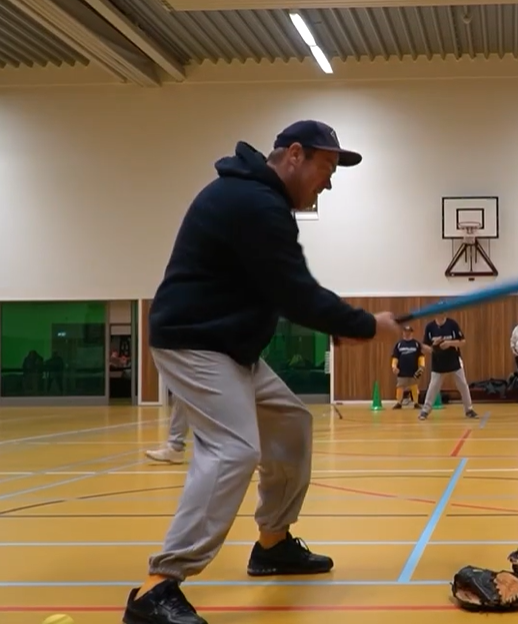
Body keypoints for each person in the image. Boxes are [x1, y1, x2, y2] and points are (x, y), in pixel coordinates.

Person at [122, 120, 401, 624]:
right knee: (234, 449)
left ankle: (272, 544)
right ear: (294, 154)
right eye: (326, 168)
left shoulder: (257, 200)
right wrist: (365, 324)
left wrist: (339, 324)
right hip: (195, 343)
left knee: (291, 423)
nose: (329, 183)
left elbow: (279, 288)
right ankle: (156, 589)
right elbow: (294, 291)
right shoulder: (254, 203)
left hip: (232, 349)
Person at [417, 312, 479, 421]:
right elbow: (425, 346)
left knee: (463, 385)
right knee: (433, 387)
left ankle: (469, 410)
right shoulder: (430, 327)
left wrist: (449, 343)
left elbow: (462, 342)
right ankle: (425, 411)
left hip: (454, 361)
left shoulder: (452, 324)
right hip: (438, 363)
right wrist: (433, 345)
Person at [391, 325, 424, 408]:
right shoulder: (399, 344)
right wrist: (394, 366)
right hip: (402, 370)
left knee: (414, 386)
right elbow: (395, 357)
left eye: (409, 332)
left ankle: (416, 403)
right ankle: (399, 403)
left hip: (414, 370)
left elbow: (421, 356)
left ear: (412, 333)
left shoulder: (416, 344)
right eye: (405, 331)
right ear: (403, 332)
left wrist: (422, 366)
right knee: (400, 386)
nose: (407, 333)